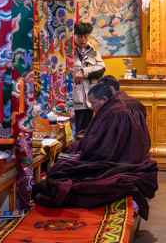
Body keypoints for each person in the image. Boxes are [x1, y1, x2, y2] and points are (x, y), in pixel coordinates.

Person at [34, 77, 158, 218]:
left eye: (93, 103)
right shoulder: (114, 107)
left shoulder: (115, 112)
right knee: (63, 166)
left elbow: (104, 147)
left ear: (104, 99)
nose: (92, 107)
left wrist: (82, 149)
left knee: (61, 173)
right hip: (128, 156)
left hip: (114, 162)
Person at [71, 21, 105, 136]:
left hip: (89, 100)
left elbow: (101, 68)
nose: (83, 39)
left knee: (86, 133)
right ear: (74, 36)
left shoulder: (93, 51)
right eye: (80, 36)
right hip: (74, 99)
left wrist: (83, 72)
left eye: (86, 36)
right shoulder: (67, 51)